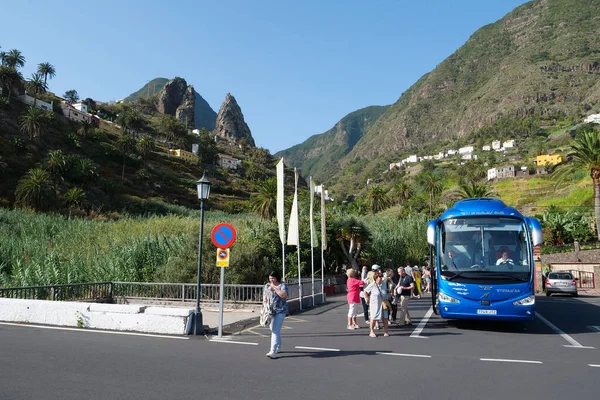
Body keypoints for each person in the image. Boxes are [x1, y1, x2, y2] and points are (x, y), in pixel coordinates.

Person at [263, 271, 288, 359]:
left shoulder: (282, 285)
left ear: (277, 277)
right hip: (271, 311)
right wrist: (265, 307)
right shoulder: (267, 286)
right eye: (270, 278)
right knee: (273, 329)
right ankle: (278, 346)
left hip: (280, 310)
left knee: (275, 330)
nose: (271, 280)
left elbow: (284, 295)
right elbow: (265, 298)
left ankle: (272, 351)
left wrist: (275, 288)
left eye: (273, 278)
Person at [364, 269, 390, 338]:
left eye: (381, 277)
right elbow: (365, 291)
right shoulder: (372, 285)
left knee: (385, 318)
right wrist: (367, 298)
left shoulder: (384, 284)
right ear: (376, 278)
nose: (381, 278)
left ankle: (386, 331)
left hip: (383, 303)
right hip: (374, 304)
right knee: (374, 318)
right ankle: (371, 331)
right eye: (379, 277)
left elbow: (386, 291)